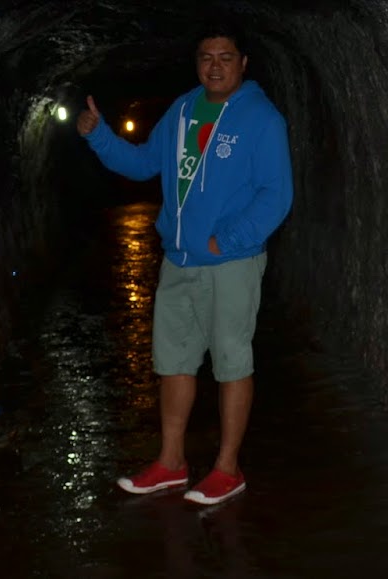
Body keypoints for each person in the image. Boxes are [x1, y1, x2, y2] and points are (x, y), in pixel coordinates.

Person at [77, 25, 293, 506]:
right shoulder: (182, 110)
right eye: (206, 57)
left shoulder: (261, 119)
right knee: (173, 362)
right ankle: (171, 463)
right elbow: (141, 164)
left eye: (226, 56)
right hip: (178, 259)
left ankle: (228, 468)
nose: (215, 65)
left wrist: (227, 240)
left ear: (243, 63)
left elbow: (276, 194)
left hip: (229, 262)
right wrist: (99, 137)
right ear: (197, 63)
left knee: (232, 363)